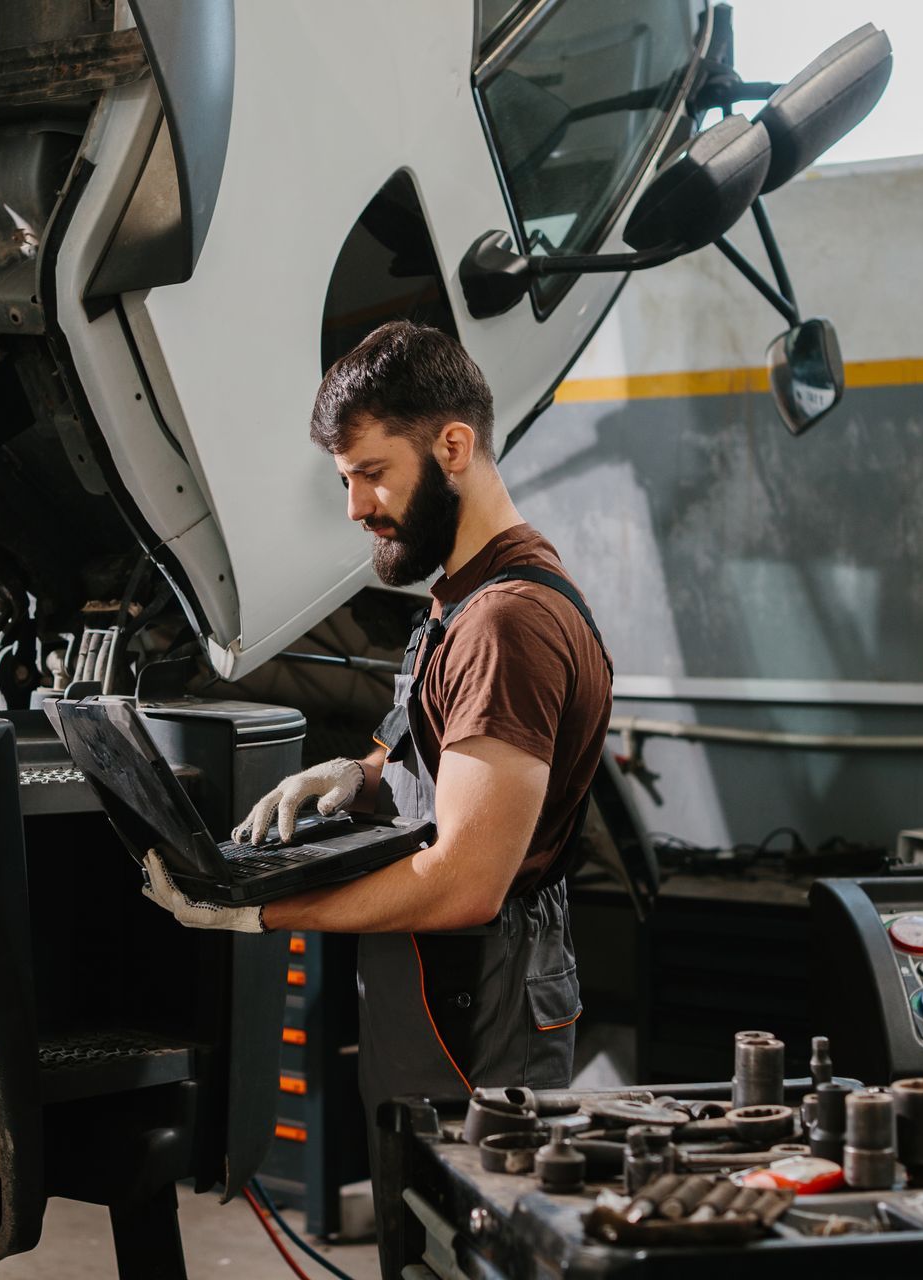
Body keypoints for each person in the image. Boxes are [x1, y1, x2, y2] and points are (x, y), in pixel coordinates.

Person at [140, 320, 613, 1120]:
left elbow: (465, 882)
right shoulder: (460, 599)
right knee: (418, 1221)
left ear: (453, 448)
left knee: (465, 1226)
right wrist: (355, 776)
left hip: (479, 994)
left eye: (372, 473)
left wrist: (260, 911)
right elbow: (439, 771)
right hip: (440, 978)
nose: (356, 506)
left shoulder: (507, 622)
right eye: (344, 480)